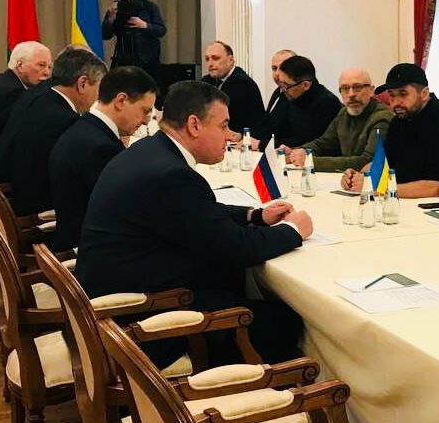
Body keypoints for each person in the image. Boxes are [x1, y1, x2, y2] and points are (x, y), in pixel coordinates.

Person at [74, 81, 313, 366]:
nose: (229, 136)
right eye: (224, 126)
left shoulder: (152, 151)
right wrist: (293, 230)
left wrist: (255, 215)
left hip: (117, 295)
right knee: (285, 319)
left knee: (237, 284)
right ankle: (257, 386)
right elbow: (240, 248)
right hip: (139, 321)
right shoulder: (171, 174)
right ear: (194, 125)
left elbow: (198, 213)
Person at [48, 67, 157, 251]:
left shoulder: (86, 128)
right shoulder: (100, 148)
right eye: (145, 111)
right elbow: (124, 210)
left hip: (74, 235)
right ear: (121, 101)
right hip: (88, 249)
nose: (147, 120)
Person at [341, 63, 439, 206]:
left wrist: (377, 187)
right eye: (392, 95)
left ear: (424, 94)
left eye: (403, 94)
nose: (395, 103)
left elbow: (434, 189)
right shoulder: (399, 120)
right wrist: (357, 177)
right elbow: (383, 162)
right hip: (409, 203)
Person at [0, 47, 106, 216]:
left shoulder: (39, 93)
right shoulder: (65, 120)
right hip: (37, 208)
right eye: (99, 88)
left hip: (12, 185)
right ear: (82, 84)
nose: (99, 97)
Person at [282, 68, 392, 172]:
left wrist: (310, 161)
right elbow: (324, 143)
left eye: (357, 87)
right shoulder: (344, 113)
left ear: (371, 90)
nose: (351, 94)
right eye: (345, 89)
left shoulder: (382, 118)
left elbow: (368, 161)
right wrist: (295, 152)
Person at [257, 55, 341, 149]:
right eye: (281, 83)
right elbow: (278, 129)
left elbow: (308, 141)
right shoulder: (292, 95)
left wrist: (262, 144)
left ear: (305, 85)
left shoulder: (327, 103)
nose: (283, 89)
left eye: (286, 85)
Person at [101, 0, 166, 81]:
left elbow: (161, 30)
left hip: (147, 60)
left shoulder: (150, 7)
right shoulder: (117, 7)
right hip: (123, 59)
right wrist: (111, 18)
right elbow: (105, 35)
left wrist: (144, 25)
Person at [201, 41, 265, 133]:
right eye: (207, 59)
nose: (210, 64)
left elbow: (258, 124)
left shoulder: (245, 85)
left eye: (215, 58)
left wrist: (241, 135)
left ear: (230, 60)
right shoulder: (205, 82)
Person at [252, 49, 295, 146]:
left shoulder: (297, 96)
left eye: (283, 68)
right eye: (274, 68)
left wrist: (260, 144)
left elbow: (297, 138)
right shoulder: (278, 92)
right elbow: (268, 127)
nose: (277, 73)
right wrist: (243, 136)